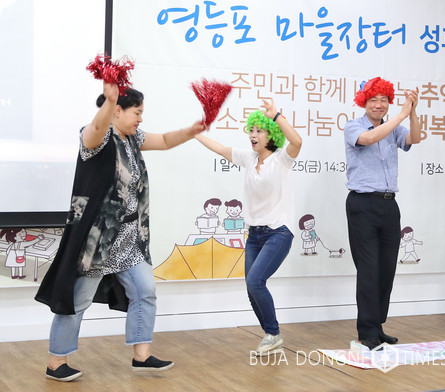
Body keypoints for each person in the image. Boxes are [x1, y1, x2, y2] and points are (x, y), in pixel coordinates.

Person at [35, 81, 206, 382]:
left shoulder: (132, 138)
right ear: (117, 111)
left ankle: (142, 356)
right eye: (137, 112)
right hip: (98, 239)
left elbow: (165, 140)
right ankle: (56, 361)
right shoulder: (97, 138)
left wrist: (191, 131)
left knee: (145, 291)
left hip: (128, 237)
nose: (140, 118)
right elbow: (95, 129)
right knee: (78, 299)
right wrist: (108, 102)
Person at [195, 98, 302, 354]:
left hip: (279, 232)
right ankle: (271, 336)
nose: (253, 135)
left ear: (271, 135)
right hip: (254, 235)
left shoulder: (281, 159)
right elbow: (221, 149)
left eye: (259, 131)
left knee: (256, 281)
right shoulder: (249, 158)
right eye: (251, 130)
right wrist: (195, 134)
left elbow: (297, 142)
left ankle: (273, 334)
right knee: (251, 287)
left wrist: (276, 117)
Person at [344, 76, 421, 350]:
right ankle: (366, 331)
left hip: (389, 204)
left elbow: (414, 138)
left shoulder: (394, 127)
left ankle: (377, 326)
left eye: (384, 100)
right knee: (368, 269)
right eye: (373, 100)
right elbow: (369, 138)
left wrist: (412, 112)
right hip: (362, 204)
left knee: (386, 269)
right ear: (363, 102)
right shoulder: (353, 126)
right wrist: (401, 114)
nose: (379, 105)